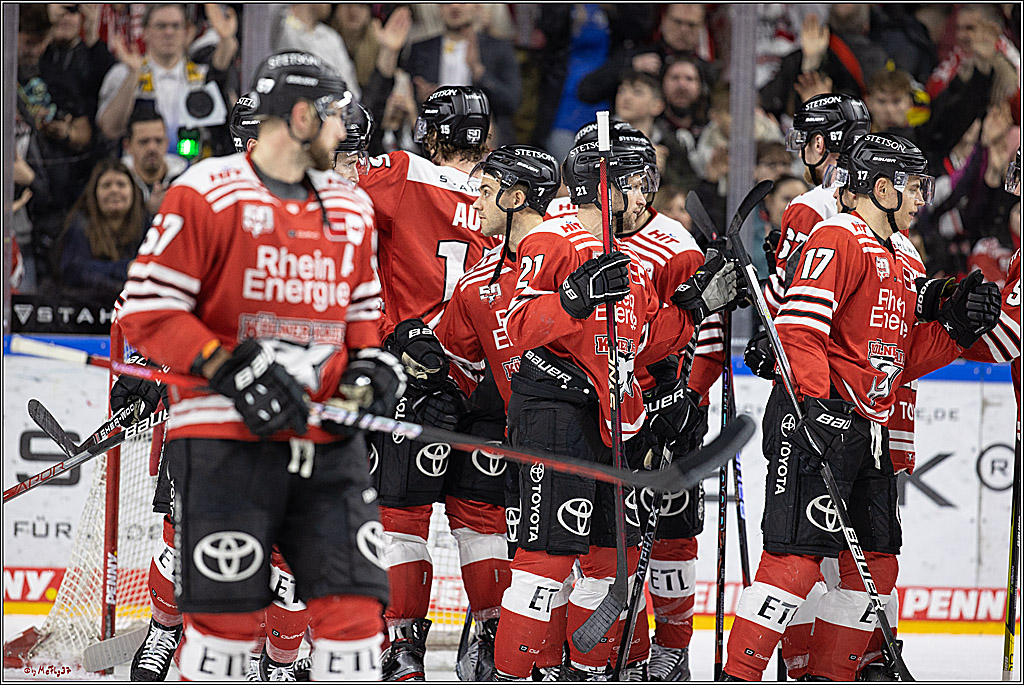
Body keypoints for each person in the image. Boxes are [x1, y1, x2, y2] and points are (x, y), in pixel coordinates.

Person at [117, 50, 404, 681]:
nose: (345, 132)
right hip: (226, 438)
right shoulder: (205, 192)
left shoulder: (350, 209)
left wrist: (370, 369)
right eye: (334, 116)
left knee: (355, 619)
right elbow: (146, 311)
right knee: (225, 630)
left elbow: (361, 316)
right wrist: (229, 367)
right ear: (301, 118)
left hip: (325, 441)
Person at [722, 133, 1001, 681]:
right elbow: (799, 331)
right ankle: (739, 674)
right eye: (913, 186)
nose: (921, 198)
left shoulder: (902, 255)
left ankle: (827, 675)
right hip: (815, 417)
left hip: (868, 428)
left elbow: (902, 357)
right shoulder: (837, 237)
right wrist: (814, 411)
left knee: (874, 568)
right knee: (795, 563)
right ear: (881, 188)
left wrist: (955, 327)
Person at [494, 134, 741, 680]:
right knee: (545, 564)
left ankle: (586, 672)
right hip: (556, 411)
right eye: (635, 183)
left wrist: (696, 309)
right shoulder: (552, 238)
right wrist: (571, 300)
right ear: (605, 186)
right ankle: (514, 672)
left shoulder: (644, 257)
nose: (645, 194)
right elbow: (518, 325)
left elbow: (645, 340)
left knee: (610, 562)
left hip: (618, 419)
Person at [355, 84, 504, 681]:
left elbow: (329, 197)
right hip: (489, 378)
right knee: (481, 519)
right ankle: (493, 641)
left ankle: (403, 648)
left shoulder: (402, 173)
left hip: (416, 375)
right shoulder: (513, 186)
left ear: (433, 134)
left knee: (403, 518)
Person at [432, 144, 564, 681]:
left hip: (586, 437)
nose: (476, 203)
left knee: (588, 566)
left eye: (486, 192)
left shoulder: (571, 254)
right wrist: (427, 386)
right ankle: (509, 643)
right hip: (521, 436)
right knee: (535, 560)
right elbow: (455, 362)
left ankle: (590, 664)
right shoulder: (475, 284)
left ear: (516, 197)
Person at [97, 3, 237, 155]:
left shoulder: (202, 76)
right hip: (140, 165)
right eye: (161, 26)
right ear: (144, 31)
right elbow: (109, 129)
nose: (169, 32)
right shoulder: (123, 73)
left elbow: (221, 71)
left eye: (176, 26)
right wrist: (133, 75)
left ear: (187, 32)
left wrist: (226, 40)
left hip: (196, 163)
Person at [401, 4, 521, 147]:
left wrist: (479, 72)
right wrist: (427, 100)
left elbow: (512, 102)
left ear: (476, 6)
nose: (455, 6)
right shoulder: (421, 49)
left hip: (485, 143)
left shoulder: (498, 48)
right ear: (439, 9)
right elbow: (408, 99)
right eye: (447, 3)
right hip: (434, 143)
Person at [59, 159, 147, 308]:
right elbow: (74, 271)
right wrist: (125, 268)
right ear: (94, 193)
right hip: (88, 308)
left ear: (133, 191)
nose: (114, 190)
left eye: (121, 184)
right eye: (106, 185)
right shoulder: (80, 226)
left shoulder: (147, 226)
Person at [121, 111, 188, 215]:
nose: (152, 148)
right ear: (128, 146)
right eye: (144, 142)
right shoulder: (116, 180)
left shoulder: (185, 178)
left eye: (158, 141)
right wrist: (149, 212)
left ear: (166, 144)